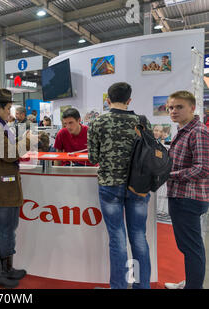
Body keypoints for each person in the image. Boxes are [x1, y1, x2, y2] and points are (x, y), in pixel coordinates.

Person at [87, 82, 153, 289]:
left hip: (110, 185)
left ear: (108, 100)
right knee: (139, 237)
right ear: (129, 100)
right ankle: (142, 286)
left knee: (117, 238)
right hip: (138, 185)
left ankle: (119, 286)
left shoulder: (97, 122)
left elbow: (92, 158)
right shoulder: (141, 121)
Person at [0, 88, 31, 289]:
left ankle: (5, 269)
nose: (10, 113)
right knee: (3, 229)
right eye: (8, 108)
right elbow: (9, 154)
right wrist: (28, 141)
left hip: (3, 184)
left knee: (5, 229)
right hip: (3, 186)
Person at [164, 91, 208, 289]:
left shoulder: (197, 131)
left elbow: (203, 168)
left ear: (192, 108)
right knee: (187, 246)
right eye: (171, 107)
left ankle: (193, 287)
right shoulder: (183, 130)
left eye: (179, 107)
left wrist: (169, 175)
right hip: (181, 196)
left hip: (188, 197)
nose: (173, 111)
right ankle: (191, 283)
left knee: (192, 248)